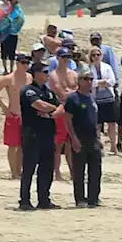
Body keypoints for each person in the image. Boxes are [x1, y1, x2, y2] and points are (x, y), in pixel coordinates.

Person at [18, 63, 61, 210]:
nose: (47, 74)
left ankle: (44, 199)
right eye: (44, 71)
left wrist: (50, 110)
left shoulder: (48, 91)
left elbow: (60, 106)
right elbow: (38, 105)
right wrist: (49, 109)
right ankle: (24, 200)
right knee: (29, 169)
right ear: (36, 73)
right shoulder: (28, 90)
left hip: (48, 134)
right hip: (33, 135)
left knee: (47, 168)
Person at [62, 70, 102, 207]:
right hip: (79, 137)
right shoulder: (74, 98)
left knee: (96, 170)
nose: (89, 81)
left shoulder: (92, 97)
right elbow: (67, 119)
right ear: (79, 81)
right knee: (79, 170)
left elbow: (95, 119)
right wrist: (73, 138)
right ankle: (80, 199)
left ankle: (93, 198)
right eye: (86, 79)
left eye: (91, 79)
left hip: (93, 138)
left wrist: (99, 136)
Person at [0, 54, 31, 179]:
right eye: (23, 62)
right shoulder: (9, 78)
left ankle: (19, 171)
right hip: (13, 114)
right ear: (17, 63)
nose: (26, 65)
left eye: (27, 63)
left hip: (27, 116)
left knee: (22, 145)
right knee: (13, 145)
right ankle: (13, 172)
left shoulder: (29, 77)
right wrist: (3, 107)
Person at [47, 47, 79, 182]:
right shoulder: (53, 75)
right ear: (58, 58)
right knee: (58, 144)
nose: (66, 59)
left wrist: (69, 92)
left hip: (72, 109)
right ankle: (57, 172)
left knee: (70, 144)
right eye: (63, 57)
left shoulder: (73, 73)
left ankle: (73, 171)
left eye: (68, 57)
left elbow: (78, 89)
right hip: (60, 109)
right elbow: (61, 93)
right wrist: (71, 92)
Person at [0, 0, 25, 75]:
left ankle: (12, 69)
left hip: (13, 33)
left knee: (12, 51)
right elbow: (1, 15)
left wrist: (13, 20)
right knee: (4, 51)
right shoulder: (6, 4)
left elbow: (21, 17)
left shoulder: (18, 7)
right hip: (4, 32)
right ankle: (5, 69)